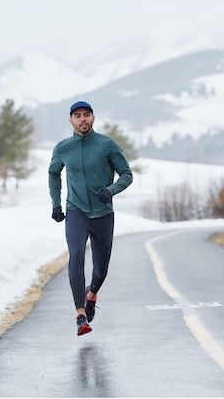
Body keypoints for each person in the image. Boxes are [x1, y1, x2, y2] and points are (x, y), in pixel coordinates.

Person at [48, 101, 133, 336]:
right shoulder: (63, 148)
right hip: (76, 211)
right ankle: (80, 315)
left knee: (101, 268)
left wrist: (111, 190)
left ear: (93, 118)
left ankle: (92, 294)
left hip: (103, 213)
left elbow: (126, 174)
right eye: (77, 116)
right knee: (76, 254)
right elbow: (54, 173)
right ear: (71, 120)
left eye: (86, 115)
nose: (82, 119)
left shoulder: (106, 145)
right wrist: (56, 204)